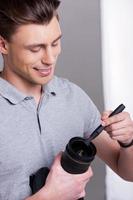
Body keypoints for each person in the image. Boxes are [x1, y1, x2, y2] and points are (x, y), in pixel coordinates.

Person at [0, 0, 133, 199]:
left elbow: (128, 173)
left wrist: (128, 141)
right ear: (3, 45)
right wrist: (50, 196)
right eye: (36, 49)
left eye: (55, 43)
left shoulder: (73, 97)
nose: (50, 58)